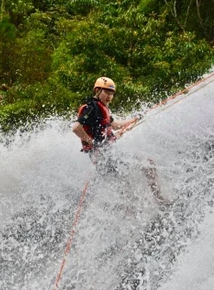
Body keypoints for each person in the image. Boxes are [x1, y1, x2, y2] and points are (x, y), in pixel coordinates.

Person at [72, 77, 171, 205]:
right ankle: (160, 200)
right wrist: (93, 143)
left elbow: (116, 125)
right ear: (97, 90)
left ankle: (150, 207)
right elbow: (76, 128)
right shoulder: (92, 108)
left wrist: (135, 119)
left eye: (112, 93)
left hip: (107, 155)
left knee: (128, 187)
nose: (110, 96)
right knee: (147, 165)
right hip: (102, 157)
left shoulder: (103, 109)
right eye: (106, 92)